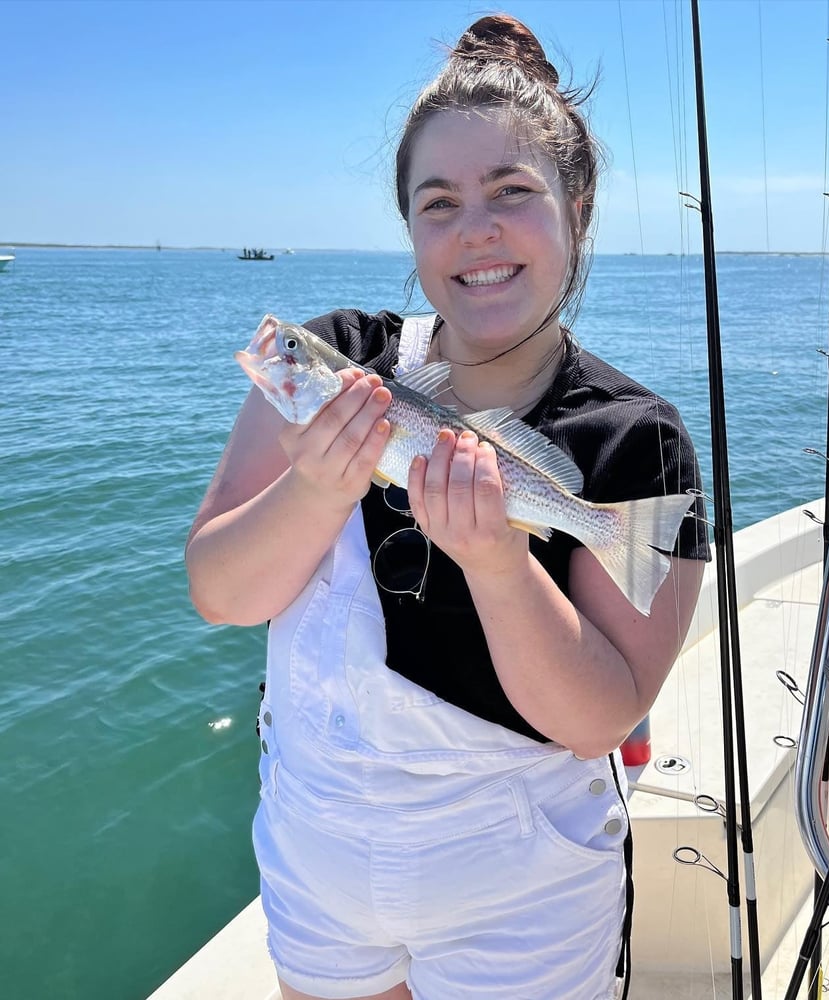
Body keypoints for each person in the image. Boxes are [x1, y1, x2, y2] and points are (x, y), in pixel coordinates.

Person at [186, 14, 709, 1000]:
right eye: (438, 202)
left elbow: (599, 717)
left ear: (577, 207)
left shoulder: (635, 442)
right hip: (317, 854)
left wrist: (500, 564)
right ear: (409, 226)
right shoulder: (337, 358)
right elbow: (220, 590)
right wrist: (316, 483)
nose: (473, 229)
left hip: (526, 890)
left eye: (511, 191)